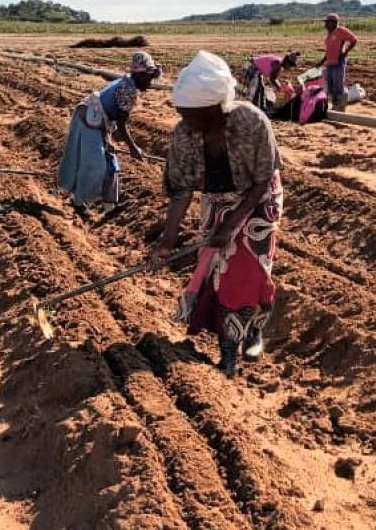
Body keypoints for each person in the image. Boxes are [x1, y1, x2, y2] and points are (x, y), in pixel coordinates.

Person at [150, 51, 283, 377]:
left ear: (215, 109)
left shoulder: (252, 122)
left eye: (193, 114)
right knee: (220, 273)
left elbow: (264, 177)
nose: (186, 121)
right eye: (182, 113)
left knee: (252, 269)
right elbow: (180, 190)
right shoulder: (183, 135)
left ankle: (253, 332)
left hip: (259, 198)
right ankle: (229, 349)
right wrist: (167, 241)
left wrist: (234, 224)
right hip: (216, 198)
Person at [57, 52, 161, 214]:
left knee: (110, 162)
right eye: (148, 78)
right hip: (89, 119)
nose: (150, 83)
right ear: (139, 75)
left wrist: (108, 140)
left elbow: (114, 120)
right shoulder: (127, 90)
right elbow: (121, 124)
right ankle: (78, 202)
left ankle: (110, 206)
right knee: (95, 163)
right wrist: (133, 148)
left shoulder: (129, 83)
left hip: (101, 121)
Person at [315, 13, 357, 111]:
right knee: (331, 87)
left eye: (327, 23)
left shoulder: (340, 31)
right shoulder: (329, 34)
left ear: (333, 23)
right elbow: (328, 51)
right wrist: (321, 62)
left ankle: (341, 108)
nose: (325, 25)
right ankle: (335, 106)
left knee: (338, 86)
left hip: (338, 62)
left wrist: (345, 52)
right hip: (330, 63)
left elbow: (354, 40)